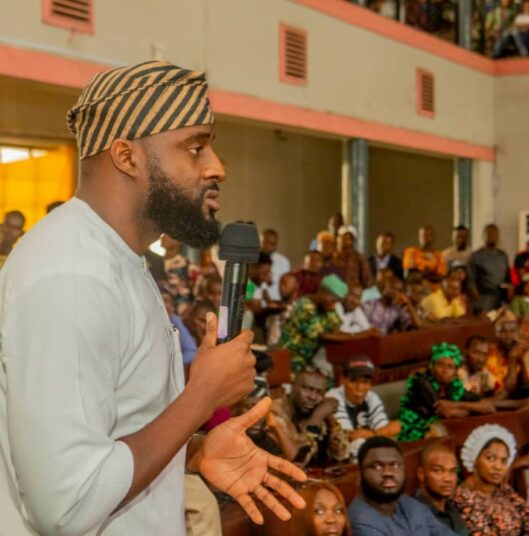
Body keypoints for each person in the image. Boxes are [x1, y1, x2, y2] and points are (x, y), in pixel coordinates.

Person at [0, 61, 307, 534]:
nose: (216, 167)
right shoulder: (70, 275)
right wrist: (202, 397)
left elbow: (115, 432)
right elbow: (66, 504)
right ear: (127, 156)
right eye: (195, 147)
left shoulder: (118, 257)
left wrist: (197, 448)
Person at [455, 424, 529, 535]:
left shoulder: (502, 490)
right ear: (475, 458)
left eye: (504, 461)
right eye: (490, 458)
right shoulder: (463, 497)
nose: (498, 466)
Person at [348, 437, 456, 535]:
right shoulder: (362, 524)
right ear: (359, 473)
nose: (388, 472)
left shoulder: (408, 504)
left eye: (395, 465)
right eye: (377, 466)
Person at [398, 343, 495, 441]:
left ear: (455, 372)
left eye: (450, 367)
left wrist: (456, 405)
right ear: (432, 366)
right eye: (440, 364)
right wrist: (472, 409)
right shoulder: (421, 381)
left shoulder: (454, 386)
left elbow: (489, 407)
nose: (444, 370)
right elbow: (446, 413)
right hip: (414, 429)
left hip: (442, 430)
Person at [271, 367, 350, 467]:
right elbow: (300, 460)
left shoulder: (320, 409)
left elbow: (342, 455)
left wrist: (330, 420)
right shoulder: (276, 410)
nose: (313, 397)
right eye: (307, 389)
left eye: (319, 392)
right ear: (293, 386)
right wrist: (315, 419)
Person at [327, 356, 401, 454]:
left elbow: (393, 429)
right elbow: (347, 436)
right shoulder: (333, 397)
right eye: (353, 381)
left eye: (365, 382)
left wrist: (372, 434)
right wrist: (379, 434)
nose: (359, 388)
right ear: (343, 380)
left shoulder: (371, 397)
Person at [280, 274, 347, 371]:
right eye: (333, 300)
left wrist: (357, 335)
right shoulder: (305, 306)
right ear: (322, 291)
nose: (334, 306)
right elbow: (323, 335)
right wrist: (361, 335)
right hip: (287, 363)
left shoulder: (327, 309)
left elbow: (336, 332)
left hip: (305, 365)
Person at [415, 443, 470, 535]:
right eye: (438, 471)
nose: (448, 479)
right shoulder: (414, 513)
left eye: (452, 471)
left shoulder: (452, 509)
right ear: (421, 474)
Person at [467, 223, 511, 313]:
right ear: (483, 236)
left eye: (494, 233)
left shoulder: (503, 255)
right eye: (489, 233)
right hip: (484, 297)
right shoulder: (476, 256)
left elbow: (507, 277)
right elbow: (470, 280)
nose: (492, 236)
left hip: (501, 297)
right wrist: (477, 299)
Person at [162, 233, 200, 314]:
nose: (164, 236)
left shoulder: (189, 267)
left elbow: (197, 296)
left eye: (169, 234)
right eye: (163, 233)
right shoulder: (153, 263)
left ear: (180, 240)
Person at [265, 272, 299, 346]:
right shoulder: (273, 307)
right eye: (280, 283)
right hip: (270, 348)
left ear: (296, 286)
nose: (281, 287)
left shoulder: (299, 308)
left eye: (285, 283)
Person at [261, 228, 291, 301]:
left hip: (278, 304)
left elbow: (287, 286)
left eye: (272, 244)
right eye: (265, 242)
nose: (268, 246)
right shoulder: (252, 260)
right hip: (257, 305)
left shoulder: (284, 261)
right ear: (260, 241)